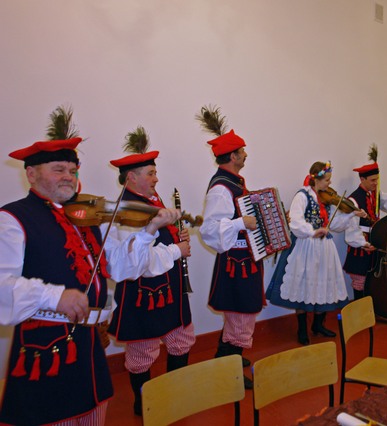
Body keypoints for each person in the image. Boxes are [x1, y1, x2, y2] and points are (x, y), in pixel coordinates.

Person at [0, 108, 181, 425]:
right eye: (58, 169)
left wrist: (149, 231)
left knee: (94, 413)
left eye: (73, 170)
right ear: (31, 174)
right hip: (47, 348)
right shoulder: (12, 218)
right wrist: (54, 296)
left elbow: (123, 267)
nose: (68, 176)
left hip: (89, 341)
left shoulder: (86, 217)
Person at [108, 127, 195, 416]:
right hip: (144, 292)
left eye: (155, 172)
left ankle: (174, 394)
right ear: (131, 177)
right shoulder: (127, 211)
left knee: (181, 339)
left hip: (168, 287)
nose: (156, 178)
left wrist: (177, 236)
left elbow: (160, 239)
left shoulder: (152, 201)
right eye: (150, 173)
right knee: (142, 350)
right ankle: (143, 402)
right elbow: (139, 262)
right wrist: (176, 250)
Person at [267, 161, 367, 345]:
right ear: (316, 180)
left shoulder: (326, 199)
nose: (330, 183)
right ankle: (302, 329)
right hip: (305, 246)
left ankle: (318, 325)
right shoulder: (302, 196)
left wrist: (352, 214)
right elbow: (295, 222)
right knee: (303, 287)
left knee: (323, 286)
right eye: (327, 180)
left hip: (324, 248)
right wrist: (312, 231)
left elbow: (334, 225)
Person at [198, 107, 262, 389]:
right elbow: (209, 230)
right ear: (233, 156)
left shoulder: (234, 183)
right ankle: (230, 371)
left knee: (239, 313)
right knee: (240, 313)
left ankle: (224, 357)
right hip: (236, 262)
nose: (246, 154)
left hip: (244, 259)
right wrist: (240, 223)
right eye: (242, 151)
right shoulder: (221, 189)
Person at [343, 157, 387, 300]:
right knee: (360, 282)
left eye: (377, 179)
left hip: (374, 244)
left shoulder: (375, 195)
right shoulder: (353, 200)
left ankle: (371, 309)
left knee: (372, 281)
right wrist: (363, 243)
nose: (376, 183)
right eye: (372, 180)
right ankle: (360, 310)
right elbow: (351, 228)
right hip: (361, 247)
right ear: (362, 179)